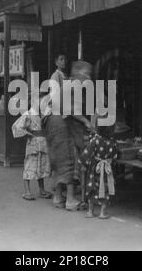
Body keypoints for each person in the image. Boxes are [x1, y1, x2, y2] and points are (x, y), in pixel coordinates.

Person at [42, 60, 94, 211]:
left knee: (59, 160)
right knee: (70, 158)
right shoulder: (74, 85)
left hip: (51, 122)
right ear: (80, 73)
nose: (89, 79)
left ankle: (58, 197)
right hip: (59, 123)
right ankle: (70, 199)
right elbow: (72, 109)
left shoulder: (67, 84)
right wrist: (86, 122)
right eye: (88, 75)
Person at [12, 95, 52, 201]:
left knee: (41, 166)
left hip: (42, 144)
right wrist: (28, 133)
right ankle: (27, 191)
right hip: (33, 144)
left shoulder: (43, 114)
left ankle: (42, 190)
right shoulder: (28, 114)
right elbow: (16, 127)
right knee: (29, 165)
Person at [79, 124, 118, 219]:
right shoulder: (113, 142)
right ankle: (102, 212)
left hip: (95, 168)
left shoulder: (95, 140)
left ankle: (90, 211)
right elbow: (115, 156)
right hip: (106, 170)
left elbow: (86, 153)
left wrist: (83, 164)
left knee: (92, 187)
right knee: (105, 189)